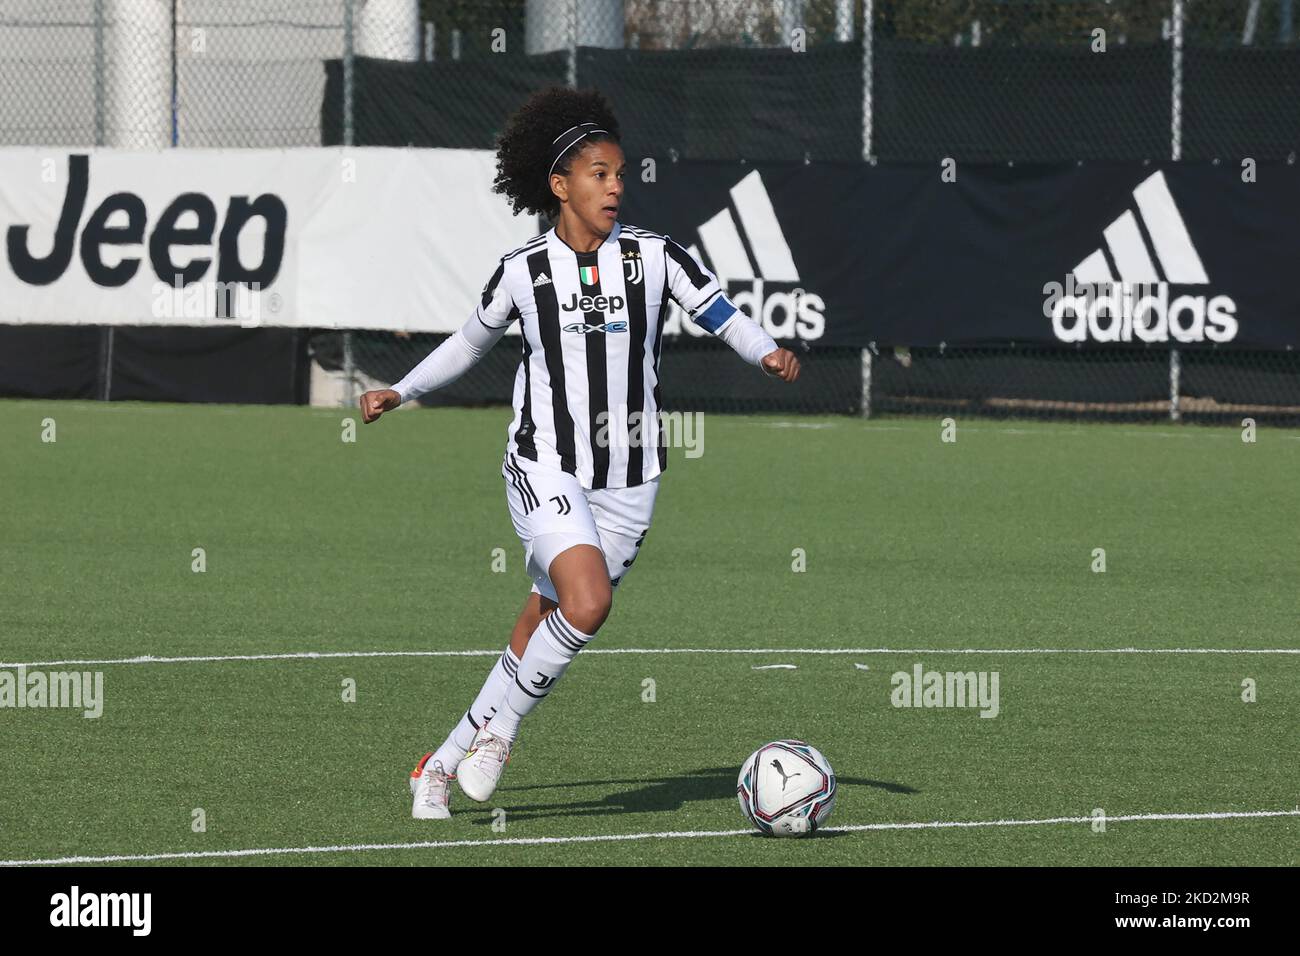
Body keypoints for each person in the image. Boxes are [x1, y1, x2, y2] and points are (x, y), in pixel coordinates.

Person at [359, 86, 801, 819]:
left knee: (541, 625)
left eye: (621, 173)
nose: (615, 186)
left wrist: (767, 352)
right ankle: (500, 734)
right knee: (588, 603)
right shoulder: (523, 271)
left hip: (633, 479)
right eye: (599, 173)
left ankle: (436, 765)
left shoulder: (657, 258)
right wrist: (400, 390)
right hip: (546, 465)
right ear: (560, 185)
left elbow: (722, 313)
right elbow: (468, 344)